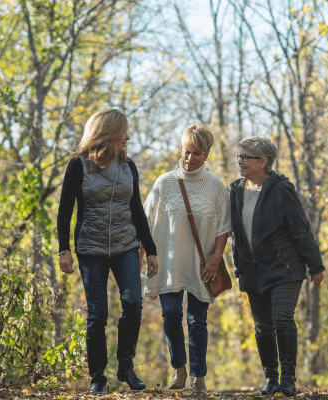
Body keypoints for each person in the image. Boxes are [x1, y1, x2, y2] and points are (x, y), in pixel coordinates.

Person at [57, 109, 159, 394]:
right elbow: (65, 210)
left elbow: (136, 209)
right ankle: (98, 376)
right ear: (107, 134)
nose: (127, 137)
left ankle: (125, 366)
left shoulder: (129, 166)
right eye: (122, 132)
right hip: (91, 248)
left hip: (125, 246)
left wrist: (150, 249)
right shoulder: (78, 166)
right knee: (98, 314)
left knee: (133, 302)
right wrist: (63, 249)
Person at [229, 137, 325, 397]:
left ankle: (289, 379)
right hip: (252, 271)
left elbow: (301, 228)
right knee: (262, 325)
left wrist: (315, 265)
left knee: (282, 317)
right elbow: (235, 235)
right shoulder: (236, 190)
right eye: (240, 156)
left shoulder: (281, 189)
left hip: (285, 269)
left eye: (246, 157)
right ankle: (271, 378)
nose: (240, 161)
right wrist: (236, 266)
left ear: (263, 162)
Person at [141, 125, 231, 394]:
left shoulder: (216, 187)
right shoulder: (164, 182)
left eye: (197, 153)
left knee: (196, 320)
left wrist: (217, 258)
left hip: (202, 266)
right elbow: (145, 222)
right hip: (168, 263)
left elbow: (224, 227)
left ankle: (198, 376)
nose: (190, 159)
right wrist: (141, 257)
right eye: (186, 152)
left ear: (207, 154)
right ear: (180, 150)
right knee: (170, 315)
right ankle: (179, 368)